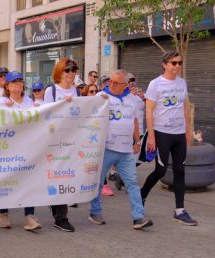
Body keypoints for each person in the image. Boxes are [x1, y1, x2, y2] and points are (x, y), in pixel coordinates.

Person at [89, 69, 152, 230]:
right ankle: (95, 212)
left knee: (132, 183)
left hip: (126, 150)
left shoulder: (132, 99)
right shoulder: (101, 97)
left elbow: (135, 121)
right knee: (98, 182)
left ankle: (138, 217)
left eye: (116, 82)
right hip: (107, 149)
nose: (111, 84)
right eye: (110, 81)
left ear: (125, 84)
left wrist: (137, 141)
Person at [140, 50, 197, 226]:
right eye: (173, 63)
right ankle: (142, 195)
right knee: (161, 171)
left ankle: (179, 211)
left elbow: (185, 107)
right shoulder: (155, 84)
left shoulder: (182, 83)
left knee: (180, 171)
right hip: (162, 133)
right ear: (164, 64)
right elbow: (149, 111)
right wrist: (151, 136)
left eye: (179, 63)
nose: (177, 66)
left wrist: (188, 131)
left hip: (179, 133)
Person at [0, 71, 44, 232]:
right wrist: (5, 111)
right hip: (7, 149)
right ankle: (3, 214)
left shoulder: (29, 101)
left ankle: (29, 216)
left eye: (20, 81)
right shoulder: (2, 101)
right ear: (7, 86)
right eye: (14, 81)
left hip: (27, 148)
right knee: (6, 180)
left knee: (28, 180)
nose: (17, 84)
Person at [41, 59, 78, 232]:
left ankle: (59, 212)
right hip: (55, 140)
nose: (71, 73)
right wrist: (63, 105)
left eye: (74, 70)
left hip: (72, 140)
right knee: (57, 176)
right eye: (67, 70)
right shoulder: (52, 90)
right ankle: (60, 217)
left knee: (66, 176)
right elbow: (47, 114)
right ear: (59, 72)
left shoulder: (77, 90)